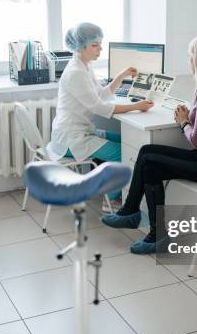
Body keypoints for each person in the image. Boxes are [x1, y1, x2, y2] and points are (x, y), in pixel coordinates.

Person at [101, 34, 197, 254]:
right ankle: (141, 220)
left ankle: (136, 217)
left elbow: (196, 140)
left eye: (190, 55)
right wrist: (188, 117)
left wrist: (184, 121)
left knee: (149, 159)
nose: (189, 59)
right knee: (148, 157)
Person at [47, 22, 154, 211]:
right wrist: (135, 106)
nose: (100, 49)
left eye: (100, 43)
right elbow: (98, 107)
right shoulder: (76, 72)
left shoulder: (85, 66)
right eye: (95, 45)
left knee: (127, 141)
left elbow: (102, 96)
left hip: (80, 132)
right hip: (71, 139)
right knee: (125, 153)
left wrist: (120, 76)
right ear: (81, 46)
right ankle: (110, 200)